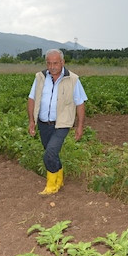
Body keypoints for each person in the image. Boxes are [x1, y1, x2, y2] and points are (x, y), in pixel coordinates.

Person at [27, 49, 88, 195]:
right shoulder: (40, 77)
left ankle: (51, 185)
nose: (52, 66)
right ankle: (59, 179)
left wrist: (80, 126)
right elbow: (32, 99)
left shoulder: (73, 79)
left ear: (62, 62)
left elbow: (80, 103)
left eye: (55, 63)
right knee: (51, 153)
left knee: (50, 153)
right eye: (49, 63)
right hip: (43, 123)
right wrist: (31, 121)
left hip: (62, 124)